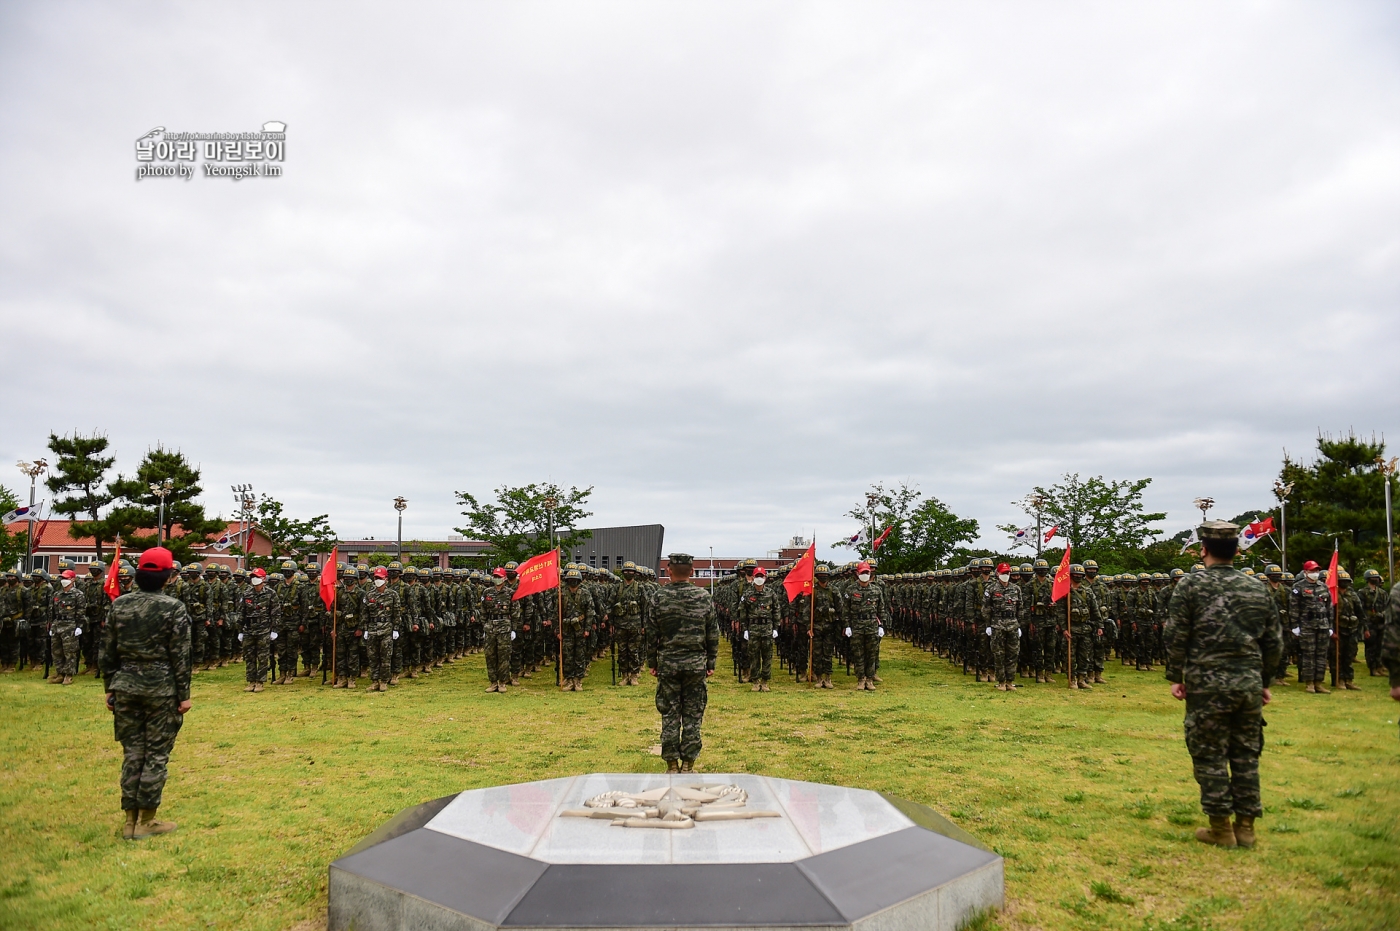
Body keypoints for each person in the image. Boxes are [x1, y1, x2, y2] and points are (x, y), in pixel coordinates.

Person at [1164, 521, 1281, 849]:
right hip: (1247, 683)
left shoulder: (1190, 586)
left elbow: (1175, 634)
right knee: (1246, 753)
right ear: (1237, 550)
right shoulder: (1257, 588)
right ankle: (1246, 828)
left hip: (1207, 684)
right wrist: (1265, 681)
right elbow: (1274, 641)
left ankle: (1221, 829)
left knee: (1209, 752)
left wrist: (1176, 676)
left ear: (1204, 550)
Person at [100, 546, 192, 840]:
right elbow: (181, 656)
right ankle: (147, 821)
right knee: (155, 755)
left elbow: (108, 652)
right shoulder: (173, 608)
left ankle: (130, 821)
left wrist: (110, 688)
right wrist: (184, 694)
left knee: (132, 753)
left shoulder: (119, 606)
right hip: (161, 689)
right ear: (167, 577)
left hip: (126, 685)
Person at [649, 553, 719, 773]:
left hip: (668, 664)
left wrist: (652, 662)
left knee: (670, 714)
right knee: (692, 714)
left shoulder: (658, 597)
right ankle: (688, 763)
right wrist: (711, 662)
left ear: (669, 570)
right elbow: (712, 633)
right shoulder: (703, 597)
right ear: (692, 571)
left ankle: (671, 763)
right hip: (695, 664)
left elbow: (651, 634)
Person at [843, 561, 889, 690]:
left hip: (872, 625)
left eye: (866, 573)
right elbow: (845, 610)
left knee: (871, 654)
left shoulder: (876, 590)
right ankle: (861, 679)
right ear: (857, 573)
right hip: (856, 625)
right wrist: (847, 626)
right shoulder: (850, 590)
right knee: (858, 654)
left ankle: (869, 679)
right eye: (862, 572)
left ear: (870, 573)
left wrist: (882, 626)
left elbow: (881, 609)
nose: (865, 575)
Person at [1289, 559, 1333, 693]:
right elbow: (1293, 607)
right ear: (1305, 572)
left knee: (1321, 655)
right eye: (1312, 571)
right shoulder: (1298, 587)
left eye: (1317, 570)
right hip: (1307, 625)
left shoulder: (1323, 586)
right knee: (1308, 655)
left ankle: (1318, 682)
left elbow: (1329, 607)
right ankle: (1309, 683)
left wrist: (1330, 626)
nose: (1315, 573)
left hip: (1323, 625)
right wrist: (1295, 626)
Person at [736, 566, 779, 691]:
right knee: (754, 656)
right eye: (757, 576)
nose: (759, 579)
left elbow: (776, 611)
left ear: (765, 578)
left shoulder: (771, 593)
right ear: (753, 578)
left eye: (761, 576)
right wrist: (744, 629)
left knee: (767, 656)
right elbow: (742, 613)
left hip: (767, 628)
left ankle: (765, 681)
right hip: (753, 628)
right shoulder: (747, 594)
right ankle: (755, 681)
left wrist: (776, 628)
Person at [983, 562, 1021, 691]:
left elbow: (1020, 608)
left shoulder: (1016, 589)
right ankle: (1001, 682)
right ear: (997, 573)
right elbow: (986, 609)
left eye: (1008, 573)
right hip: (997, 624)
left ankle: (1010, 681)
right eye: (1004, 573)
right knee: (999, 654)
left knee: (1013, 654)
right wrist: (988, 625)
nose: (1006, 575)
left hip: (1012, 624)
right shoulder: (991, 589)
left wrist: (1019, 624)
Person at [239, 568, 279, 691]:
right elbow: (242, 612)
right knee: (249, 656)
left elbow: (276, 613)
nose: (253, 579)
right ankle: (251, 681)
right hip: (249, 630)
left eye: (256, 576)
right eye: (252, 577)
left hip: (264, 630)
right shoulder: (247, 593)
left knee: (262, 657)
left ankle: (260, 682)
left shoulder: (270, 594)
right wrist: (240, 630)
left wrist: (274, 630)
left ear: (262, 579)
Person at [49, 569, 88, 685]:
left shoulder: (78, 594)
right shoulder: (57, 594)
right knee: (56, 651)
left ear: (72, 579)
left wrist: (79, 626)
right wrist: (52, 625)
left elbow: (81, 611)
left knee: (70, 651)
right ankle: (60, 673)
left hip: (70, 625)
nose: (63, 581)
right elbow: (53, 611)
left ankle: (69, 675)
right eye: (62, 578)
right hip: (58, 624)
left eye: (66, 578)